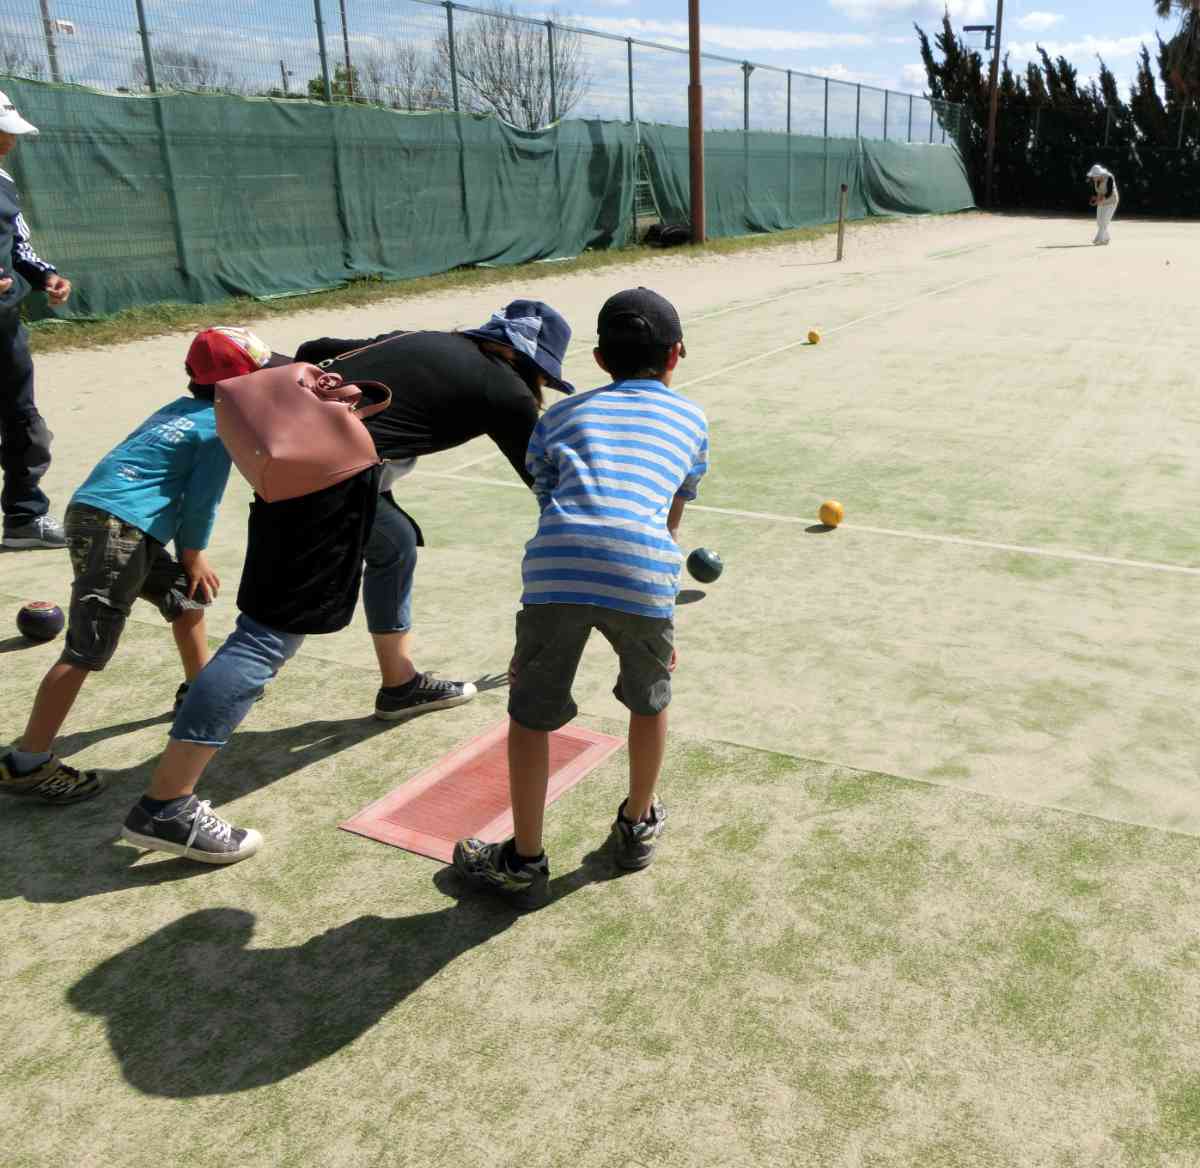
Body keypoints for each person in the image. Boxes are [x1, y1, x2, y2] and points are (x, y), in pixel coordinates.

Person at [452, 288, 710, 898]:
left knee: (530, 714)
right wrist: (656, 598)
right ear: (677, 354)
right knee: (649, 700)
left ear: (598, 360)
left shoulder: (557, 418)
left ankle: (523, 859)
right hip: (644, 570)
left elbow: (549, 497)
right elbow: (671, 518)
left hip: (556, 568)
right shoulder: (692, 419)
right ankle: (637, 822)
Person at [117, 371, 388, 864]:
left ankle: (169, 795)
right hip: (320, 492)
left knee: (263, 633)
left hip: (281, 490)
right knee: (262, 641)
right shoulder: (491, 386)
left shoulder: (272, 384)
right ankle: (166, 805)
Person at [0, 327, 279, 804]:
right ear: (238, 386)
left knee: (185, 599)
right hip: (119, 528)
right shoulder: (215, 428)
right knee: (86, 650)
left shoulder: (178, 410)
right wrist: (193, 553)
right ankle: (28, 761)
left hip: (106, 516)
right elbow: (201, 502)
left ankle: (198, 689)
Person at [294, 299, 575, 722]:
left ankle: (399, 685)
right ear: (527, 359)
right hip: (329, 473)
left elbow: (312, 347)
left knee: (395, 544)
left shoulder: (424, 339)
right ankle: (212, 704)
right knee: (274, 629)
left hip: (286, 452)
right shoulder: (507, 392)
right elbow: (544, 485)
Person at [0, 89, 73, 549]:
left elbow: (19, 246)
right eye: (3, 133)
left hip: (3, 326)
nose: (10, 141)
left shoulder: (3, 182)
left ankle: (24, 519)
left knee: (23, 420)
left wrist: (46, 275)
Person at [1086, 163, 1119, 246]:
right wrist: (1095, 199)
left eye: (1094, 176)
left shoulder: (1109, 178)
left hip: (1112, 201)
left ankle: (1099, 239)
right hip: (1102, 201)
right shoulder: (1096, 181)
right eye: (1093, 176)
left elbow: (1109, 193)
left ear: (1099, 174)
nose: (1093, 178)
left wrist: (1098, 200)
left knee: (1104, 221)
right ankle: (1106, 238)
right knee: (1099, 221)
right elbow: (1097, 192)